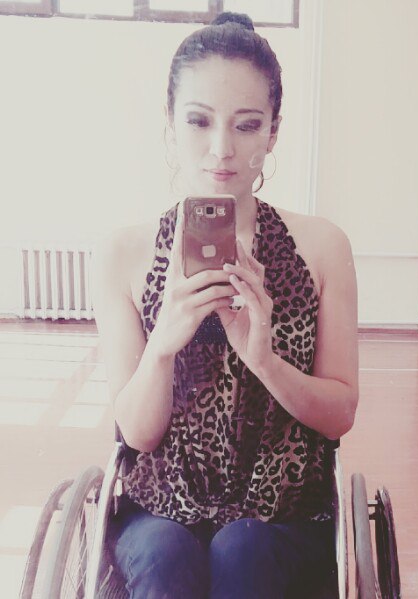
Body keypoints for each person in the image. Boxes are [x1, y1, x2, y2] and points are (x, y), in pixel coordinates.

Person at [92, 11, 358, 599]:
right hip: (160, 506)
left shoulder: (321, 248)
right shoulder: (124, 255)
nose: (221, 149)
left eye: (247, 124)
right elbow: (137, 434)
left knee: (244, 549)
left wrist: (264, 359)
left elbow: (340, 413)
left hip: (284, 510)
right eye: (198, 120)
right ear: (170, 123)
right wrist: (162, 347)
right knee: (164, 556)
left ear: (273, 132)